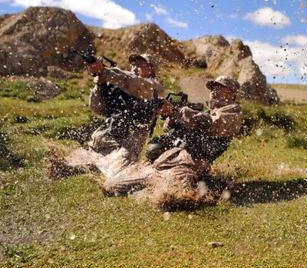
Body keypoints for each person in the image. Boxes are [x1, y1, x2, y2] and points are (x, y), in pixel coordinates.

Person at [102, 76, 243, 209]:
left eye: (219, 87)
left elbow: (212, 124)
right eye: (212, 87)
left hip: (189, 164)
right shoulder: (203, 110)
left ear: (232, 93)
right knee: (111, 185)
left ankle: (206, 186)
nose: (213, 90)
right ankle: (152, 184)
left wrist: (177, 111)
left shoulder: (232, 113)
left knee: (168, 197)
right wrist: (170, 115)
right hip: (165, 159)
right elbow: (168, 130)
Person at [49, 53, 163, 179]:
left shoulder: (155, 87)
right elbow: (97, 108)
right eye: (133, 65)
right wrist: (101, 84)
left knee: (115, 178)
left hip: (129, 142)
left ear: (151, 68)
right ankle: (92, 163)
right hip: (105, 136)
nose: (134, 68)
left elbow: (133, 83)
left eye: (140, 65)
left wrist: (105, 71)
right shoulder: (120, 82)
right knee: (61, 167)